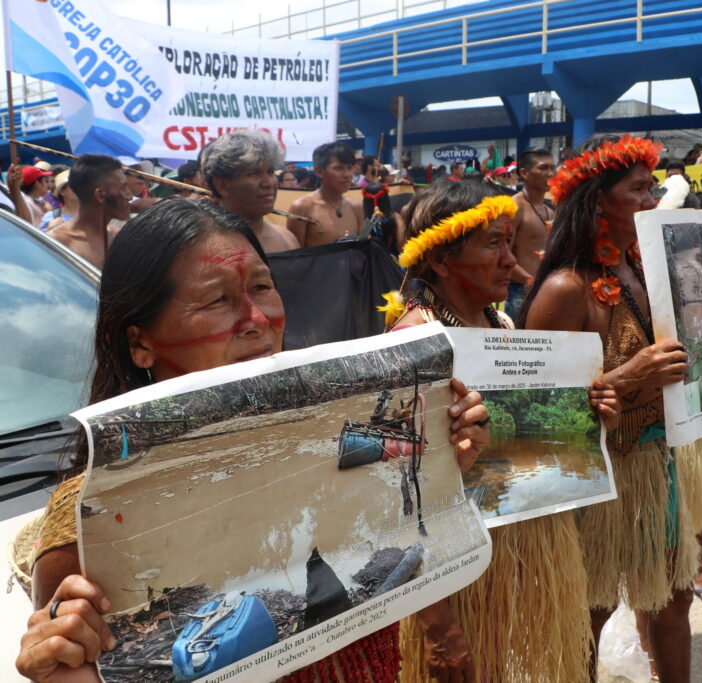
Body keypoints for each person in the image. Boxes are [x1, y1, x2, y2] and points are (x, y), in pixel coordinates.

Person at [15, 198, 491, 683]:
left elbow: (404, 530)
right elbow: (89, 664)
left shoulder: (332, 438)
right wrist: (61, 666)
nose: (257, 319)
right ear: (140, 342)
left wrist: (448, 456)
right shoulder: (87, 521)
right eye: (218, 299)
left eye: (262, 287)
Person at [381, 180, 616, 682]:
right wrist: (437, 626)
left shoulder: (502, 325)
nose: (511, 260)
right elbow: (396, 495)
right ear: (441, 261)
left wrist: (589, 417)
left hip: (515, 547)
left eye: (509, 243)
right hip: (456, 568)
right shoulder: (414, 341)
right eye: (493, 244)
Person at [521, 133, 702, 681]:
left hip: (655, 464)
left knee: (675, 600)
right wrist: (629, 376)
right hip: (595, 481)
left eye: (653, 189)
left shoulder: (647, 273)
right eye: (640, 190)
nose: (652, 201)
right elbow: (533, 415)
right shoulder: (564, 289)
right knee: (590, 613)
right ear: (598, 201)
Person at [200, 129, 299, 254]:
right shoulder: (203, 245)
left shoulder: (287, 239)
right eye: (254, 173)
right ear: (222, 185)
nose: (268, 183)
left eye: (270, 172)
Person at [47, 154, 132, 269]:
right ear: (100, 195)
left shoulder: (119, 238)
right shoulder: (58, 244)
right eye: (123, 188)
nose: (130, 196)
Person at [505, 147, 556, 320]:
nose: (550, 173)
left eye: (552, 168)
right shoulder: (514, 207)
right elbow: (502, 255)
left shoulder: (550, 211)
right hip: (519, 293)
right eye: (543, 168)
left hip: (545, 291)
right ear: (524, 173)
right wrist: (530, 282)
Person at [286, 141, 364, 246]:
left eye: (349, 168)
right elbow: (295, 255)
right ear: (319, 171)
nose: (346, 175)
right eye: (339, 168)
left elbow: (362, 251)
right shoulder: (302, 207)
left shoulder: (356, 207)